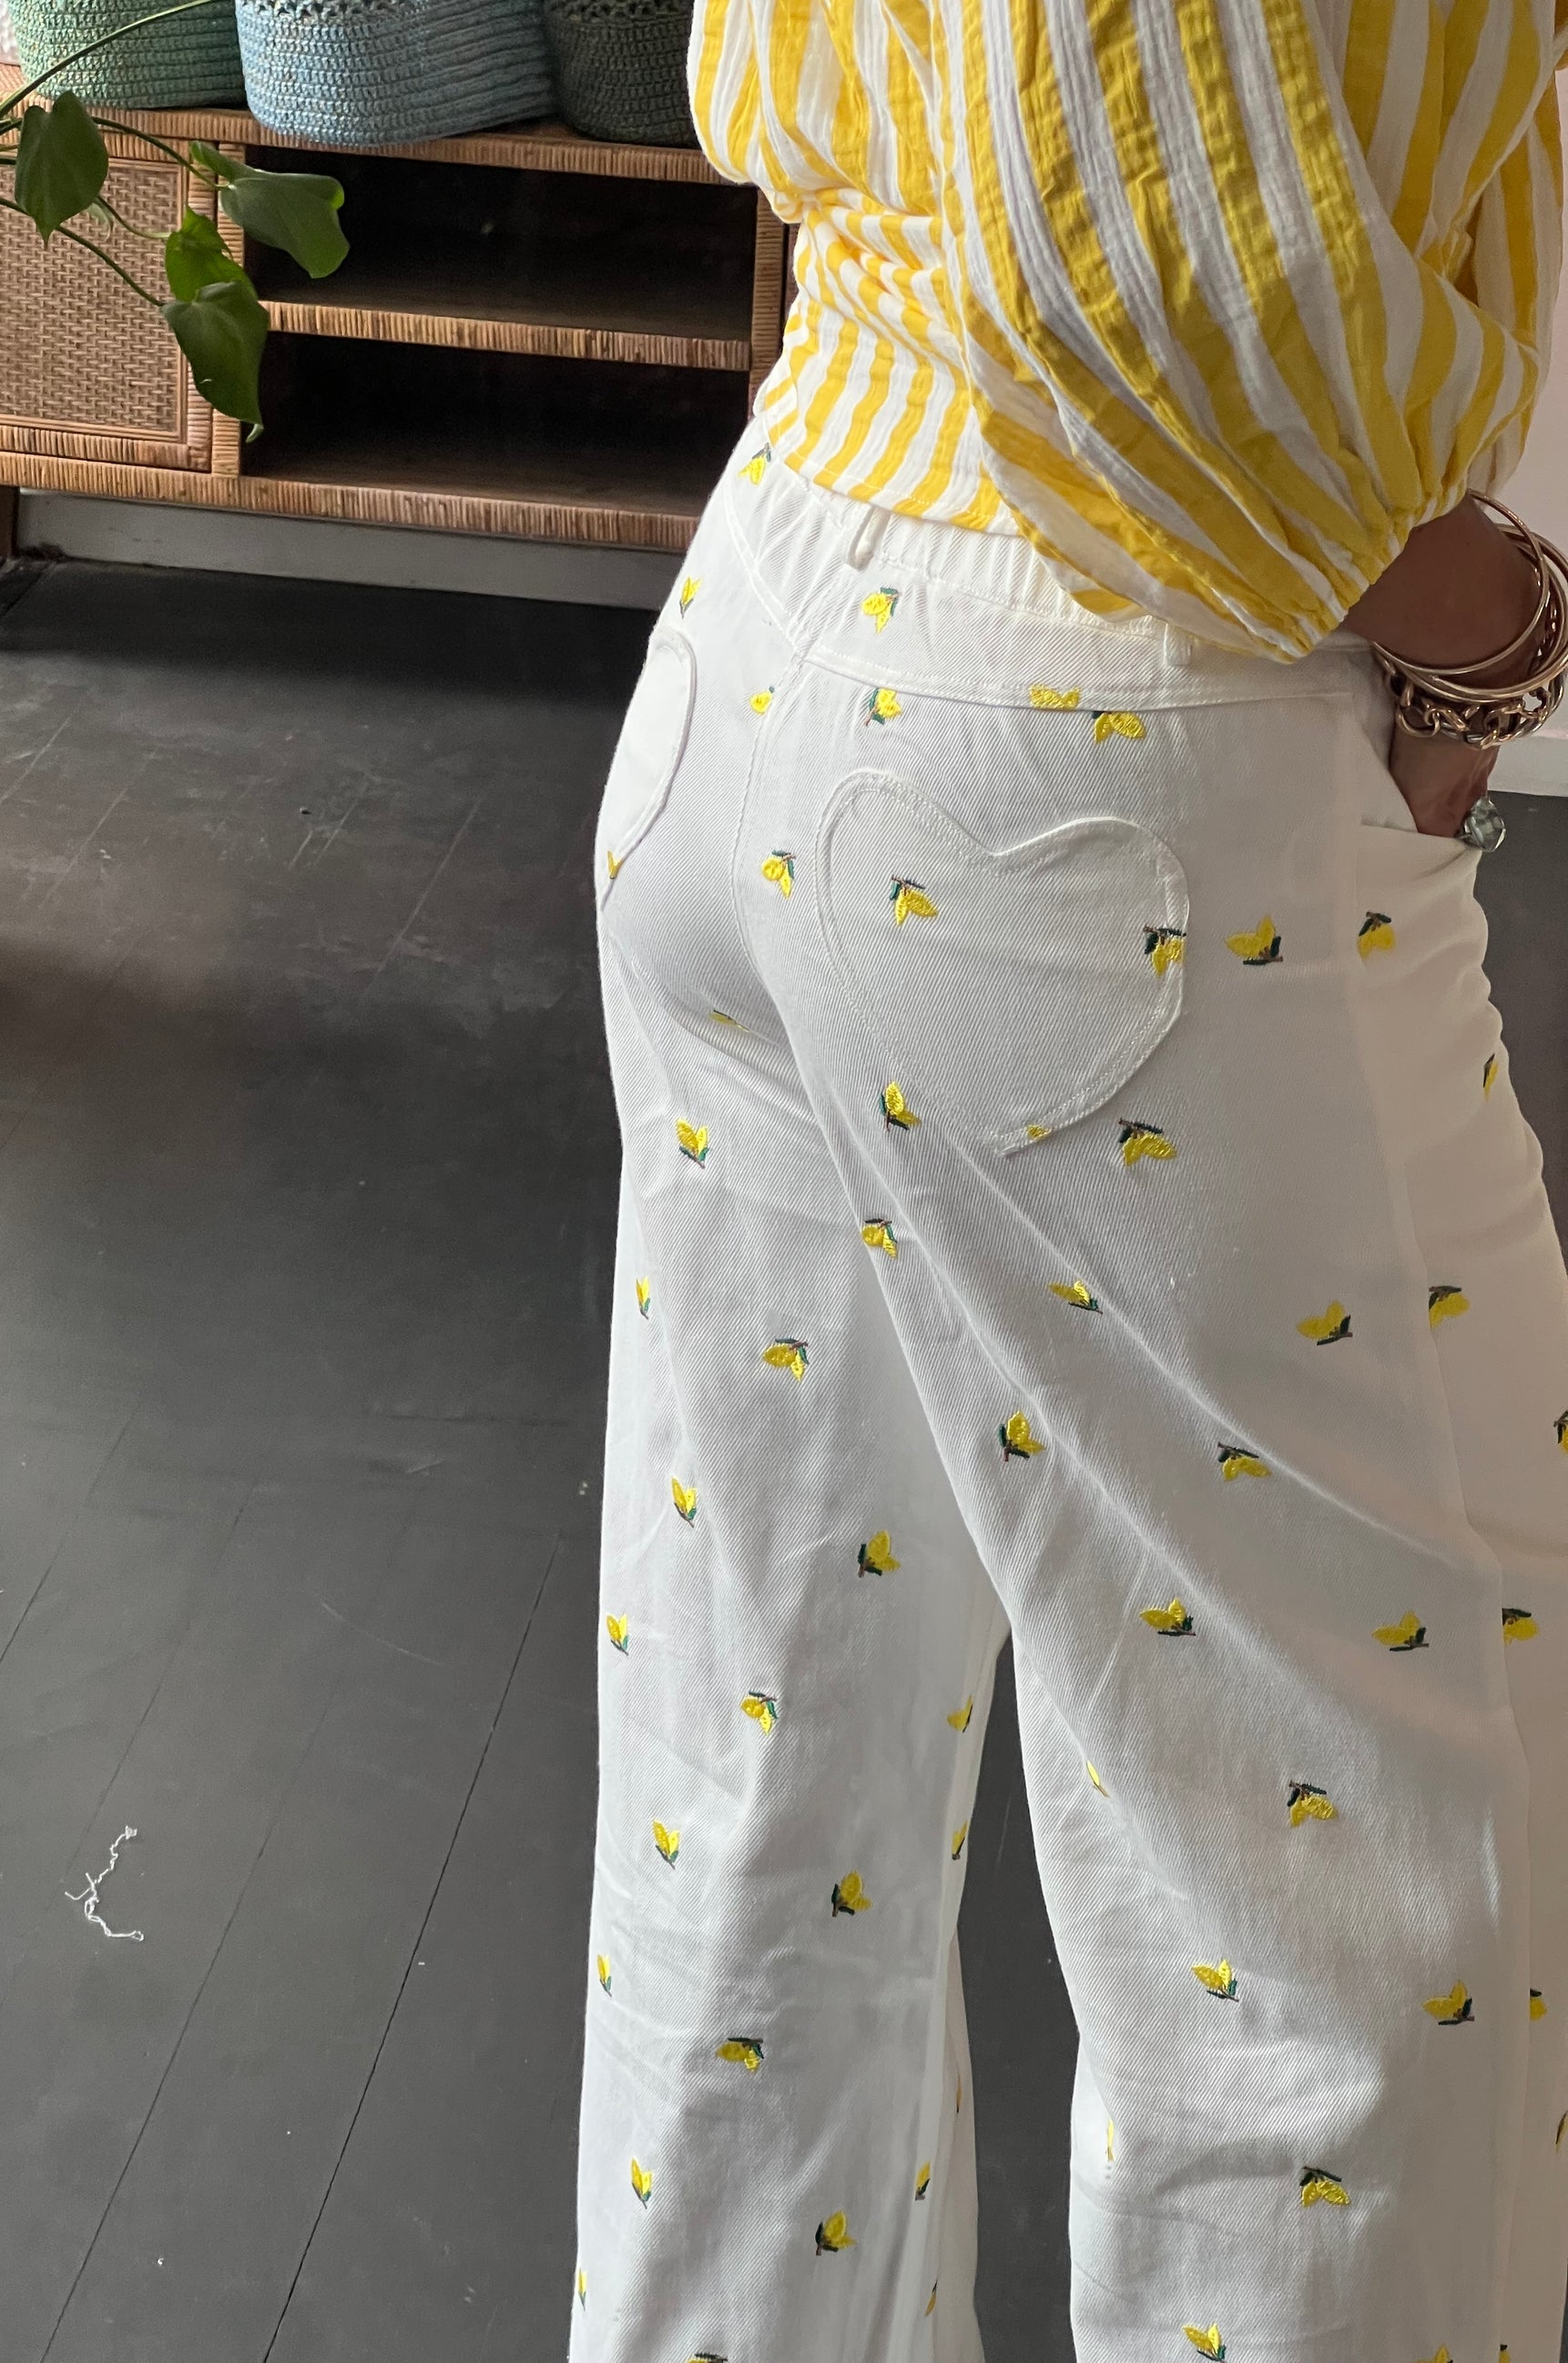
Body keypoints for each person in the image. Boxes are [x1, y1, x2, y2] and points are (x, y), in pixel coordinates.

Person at [571, 7, 1568, 2360]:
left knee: (758, 1814)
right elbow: (1148, 255)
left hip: (787, 623)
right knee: (1347, 1934)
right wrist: (1494, 629)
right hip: (1116, 749)